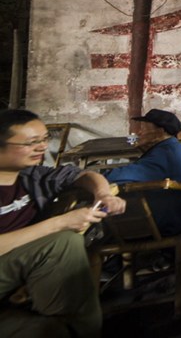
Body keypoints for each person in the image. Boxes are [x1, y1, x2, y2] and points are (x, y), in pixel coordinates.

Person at [0, 109, 126, 337]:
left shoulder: (31, 176)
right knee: (62, 242)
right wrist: (59, 223)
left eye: (45, 139)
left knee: (50, 331)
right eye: (31, 142)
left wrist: (103, 194)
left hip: (22, 264)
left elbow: (79, 175)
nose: (42, 147)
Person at [103, 109, 181, 237]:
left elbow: (114, 177)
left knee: (103, 205)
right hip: (178, 213)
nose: (139, 132)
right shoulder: (175, 147)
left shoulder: (163, 154)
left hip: (164, 221)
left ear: (160, 131)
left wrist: (93, 178)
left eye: (143, 128)